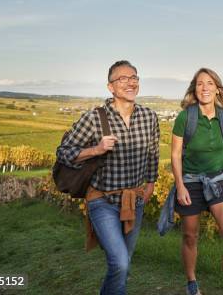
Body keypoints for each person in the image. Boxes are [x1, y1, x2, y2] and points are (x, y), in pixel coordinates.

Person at [56, 60, 159, 295]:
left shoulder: (149, 117)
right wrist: (96, 149)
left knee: (124, 263)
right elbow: (63, 152)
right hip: (102, 201)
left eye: (134, 77)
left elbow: (153, 153)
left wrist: (151, 184)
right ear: (110, 87)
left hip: (134, 200)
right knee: (120, 263)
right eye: (122, 78)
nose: (130, 82)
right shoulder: (94, 118)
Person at [170, 68, 223, 295]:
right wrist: (180, 186)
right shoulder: (185, 117)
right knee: (190, 236)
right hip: (190, 181)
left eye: (209, 83)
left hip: (219, 179)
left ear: (217, 88)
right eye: (200, 84)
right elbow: (175, 154)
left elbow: (221, 145)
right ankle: (191, 281)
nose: (205, 88)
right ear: (194, 89)